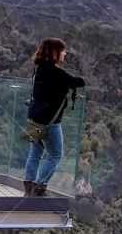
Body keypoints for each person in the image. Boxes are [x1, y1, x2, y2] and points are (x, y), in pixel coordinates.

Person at [23, 38, 85, 196]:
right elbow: (78, 82)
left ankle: (29, 185)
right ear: (55, 52)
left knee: (34, 153)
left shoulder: (38, 69)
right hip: (50, 122)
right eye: (63, 50)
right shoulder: (56, 72)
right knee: (55, 155)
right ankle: (39, 185)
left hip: (34, 117)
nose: (65, 53)